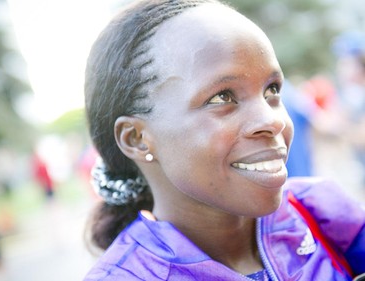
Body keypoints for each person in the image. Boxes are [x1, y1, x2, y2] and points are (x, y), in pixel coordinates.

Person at [83, 0, 365, 280]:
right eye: (222, 97)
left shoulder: (318, 211)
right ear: (137, 139)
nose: (274, 120)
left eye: (272, 91)